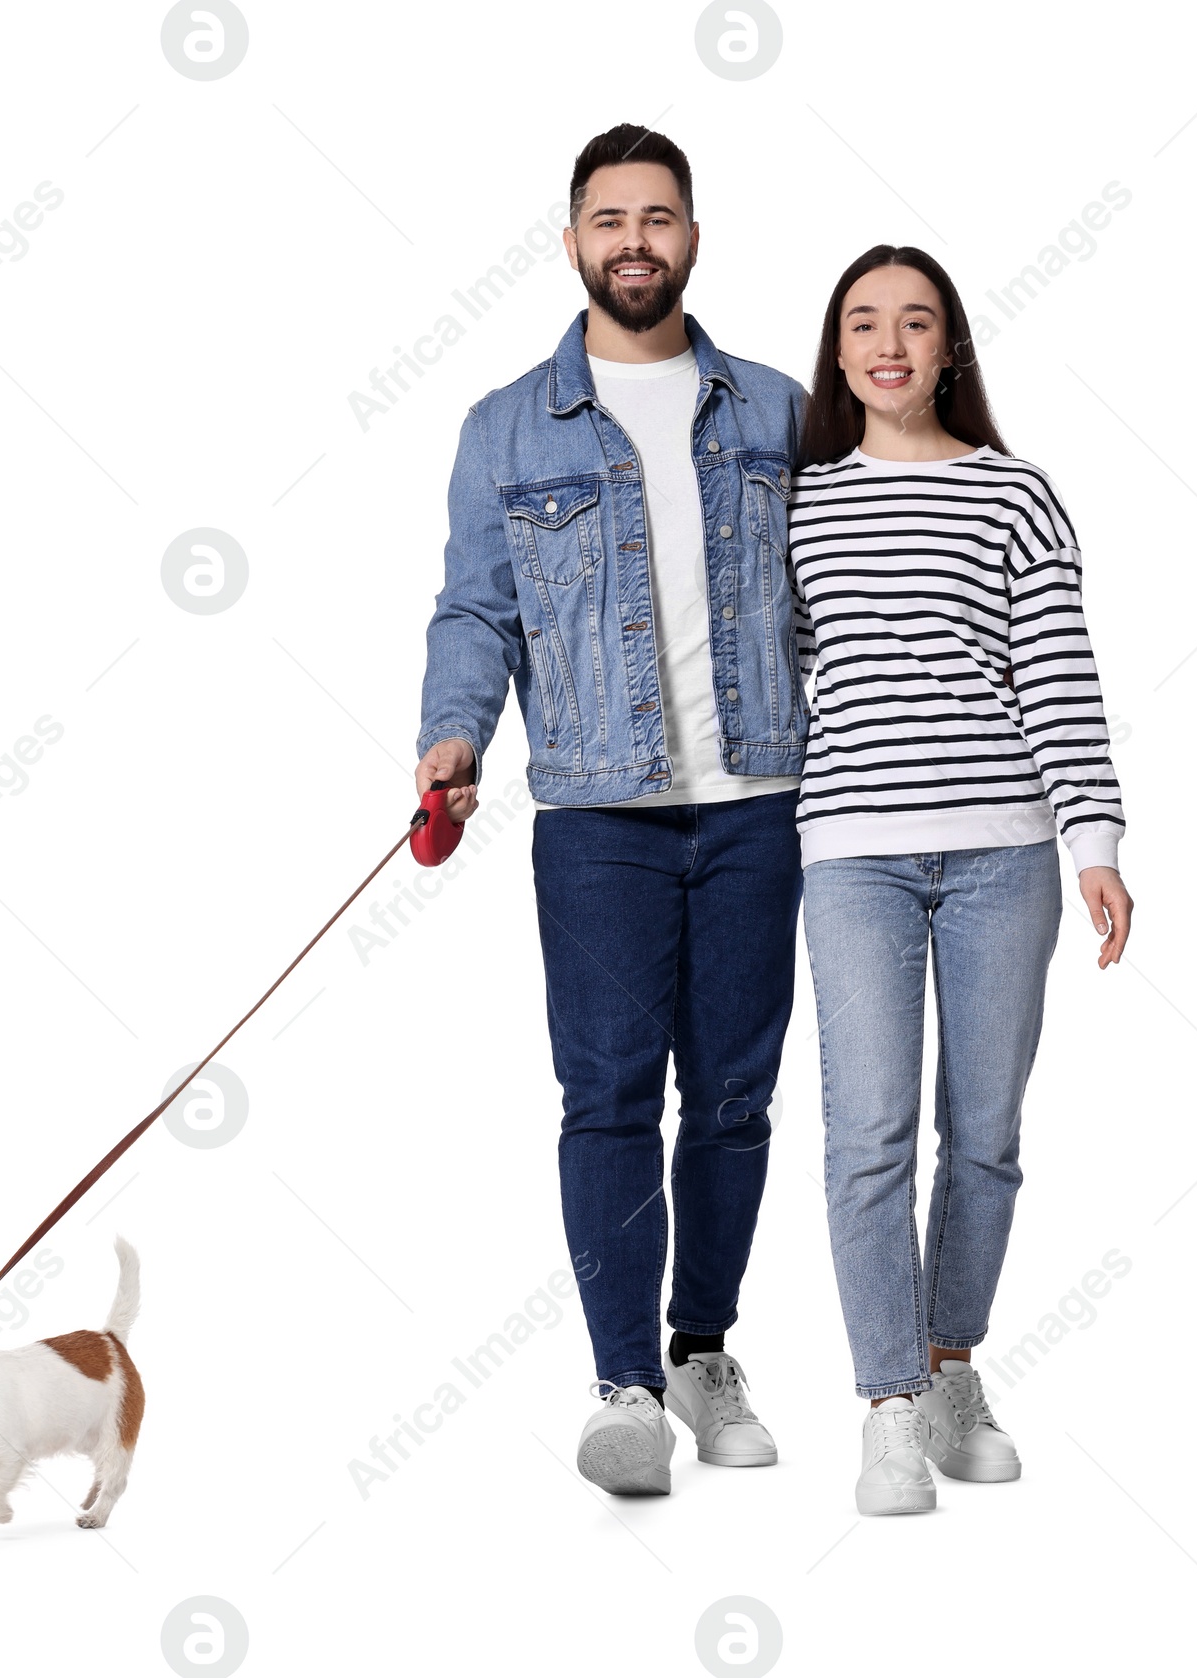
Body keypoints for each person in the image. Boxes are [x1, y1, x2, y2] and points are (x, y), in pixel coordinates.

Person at [415, 124, 810, 1495]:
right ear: (573, 238)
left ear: (692, 234)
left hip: (760, 800)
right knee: (607, 1097)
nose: (633, 240)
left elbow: (835, 600)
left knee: (738, 1100)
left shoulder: (775, 410)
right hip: (596, 813)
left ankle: (702, 1346)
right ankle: (625, 1381)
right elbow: (476, 606)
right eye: (609, 219)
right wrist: (453, 734)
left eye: (658, 217)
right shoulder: (505, 425)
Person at [788, 245, 1133, 1515]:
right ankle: (885, 1407)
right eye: (864, 323)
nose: (889, 343)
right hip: (852, 854)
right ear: (837, 352)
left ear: (947, 348)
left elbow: (1058, 673)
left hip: (1004, 852)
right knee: (867, 1132)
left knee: (981, 1138)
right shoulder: (798, 502)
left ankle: (949, 1370)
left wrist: (1093, 845)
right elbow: (770, 681)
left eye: (915, 323)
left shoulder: (1014, 494)